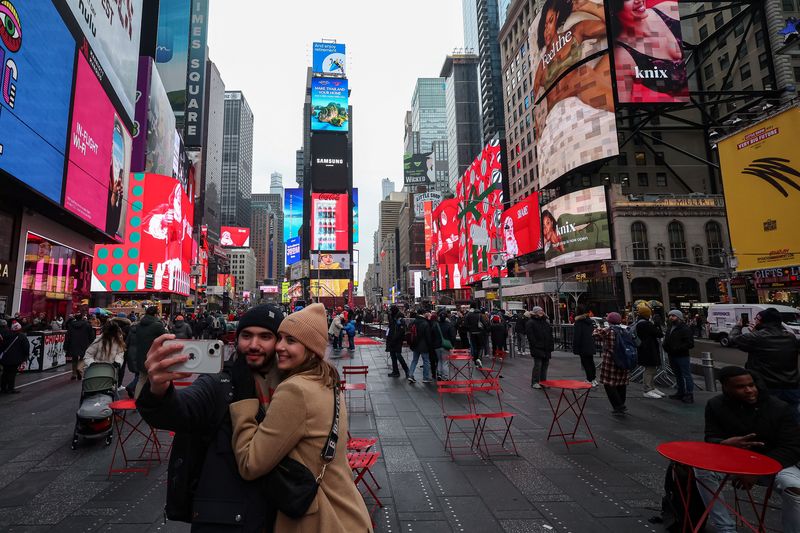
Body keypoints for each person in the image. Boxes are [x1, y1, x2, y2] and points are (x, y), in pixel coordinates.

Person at [137, 304, 285, 532]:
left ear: (279, 342)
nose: (254, 345)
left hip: (281, 516)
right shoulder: (219, 384)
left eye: (265, 336)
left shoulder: (292, 389)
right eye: (246, 336)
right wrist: (158, 388)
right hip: (225, 522)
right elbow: (178, 411)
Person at [228, 304, 373, 532]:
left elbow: (250, 464)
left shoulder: (295, 391)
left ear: (310, 348)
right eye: (281, 338)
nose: (279, 347)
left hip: (320, 520)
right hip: (349, 513)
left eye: (291, 341)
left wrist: (245, 401)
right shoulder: (328, 383)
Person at [695, 366, 800, 533]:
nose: (750, 390)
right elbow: (710, 437)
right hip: (735, 462)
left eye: (751, 385)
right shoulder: (715, 405)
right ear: (726, 387)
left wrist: (758, 470)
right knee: (702, 470)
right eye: (741, 387)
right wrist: (724, 443)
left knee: (794, 487)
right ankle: (725, 528)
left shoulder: (779, 407)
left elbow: (792, 448)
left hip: (774, 463)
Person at [730, 307, 800, 421]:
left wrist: (738, 326)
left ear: (762, 321)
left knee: (767, 418)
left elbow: (733, 339)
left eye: (757, 319)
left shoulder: (756, 337)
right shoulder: (790, 337)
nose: (755, 321)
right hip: (791, 385)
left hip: (767, 386)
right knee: (791, 417)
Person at [610, 0, 687, 103]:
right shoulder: (622, 57)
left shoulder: (669, 9)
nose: (638, 0)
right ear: (613, 9)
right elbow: (623, 110)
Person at [593, 312, 630, 415]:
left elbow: (595, 334)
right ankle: (622, 403)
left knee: (609, 384)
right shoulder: (625, 330)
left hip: (611, 360)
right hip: (624, 360)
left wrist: (599, 327)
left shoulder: (609, 330)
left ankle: (618, 405)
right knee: (621, 384)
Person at [662, 309, 695, 403]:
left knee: (686, 375)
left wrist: (677, 348)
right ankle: (680, 392)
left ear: (679, 317)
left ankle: (689, 394)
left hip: (682, 356)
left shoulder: (685, 329)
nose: (671, 318)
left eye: (673, 316)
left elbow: (690, 344)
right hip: (672, 355)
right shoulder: (670, 327)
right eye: (670, 316)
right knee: (678, 375)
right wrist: (665, 347)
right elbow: (667, 339)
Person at [133, 306, 167, 398]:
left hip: (141, 355)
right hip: (154, 356)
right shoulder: (157, 325)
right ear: (155, 314)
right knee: (156, 379)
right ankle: (156, 401)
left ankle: (137, 401)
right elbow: (166, 337)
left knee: (141, 379)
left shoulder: (139, 324)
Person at [633, 304, 665, 398]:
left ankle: (651, 387)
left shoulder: (640, 323)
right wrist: (657, 325)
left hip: (645, 349)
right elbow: (659, 334)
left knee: (651, 369)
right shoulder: (645, 324)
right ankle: (647, 389)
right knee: (649, 369)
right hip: (648, 350)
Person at [526, 307, 554, 389]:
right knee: (538, 365)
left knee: (545, 365)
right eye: (539, 311)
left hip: (546, 347)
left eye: (542, 310)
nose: (541, 312)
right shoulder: (531, 322)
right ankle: (535, 382)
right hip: (537, 347)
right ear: (535, 312)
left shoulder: (546, 321)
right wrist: (535, 344)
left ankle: (543, 382)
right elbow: (530, 335)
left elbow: (550, 334)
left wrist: (550, 344)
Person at [64, 313, 96, 381]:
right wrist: (92, 343)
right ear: (82, 317)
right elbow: (91, 335)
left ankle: (74, 373)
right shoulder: (87, 324)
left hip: (73, 343)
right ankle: (79, 369)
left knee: (74, 358)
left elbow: (68, 336)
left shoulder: (71, 325)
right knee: (83, 357)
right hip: (84, 343)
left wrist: (66, 346)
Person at [0, 322, 30, 393]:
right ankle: (10, 388)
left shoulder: (5, 335)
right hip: (15, 358)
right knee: (12, 374)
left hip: (5, 357)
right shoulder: (22, 337)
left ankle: (3, 388)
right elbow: (26, 348)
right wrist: (25, 357)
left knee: (5, 372)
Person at [572, 305, 598, 386]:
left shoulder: (578, 322)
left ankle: (589, 379)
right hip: (590, 343)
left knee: (586, 363)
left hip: (582, 345)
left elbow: (577, 335)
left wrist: (575, 347)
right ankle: (593, 379)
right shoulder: (589, 321)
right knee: (591, 362)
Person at [408, 309, 434, 384]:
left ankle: (410, 375)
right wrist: (430, 345)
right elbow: (428, 336)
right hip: (424, 345)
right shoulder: (425, 323)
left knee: (414, 360)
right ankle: (425, 377)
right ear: (424, 313)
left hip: (415, 344)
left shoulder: (414, 322)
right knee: (426, 361)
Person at [386, 305, 409, 378]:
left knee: (398, 355)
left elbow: (401, 330)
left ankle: (407, 370)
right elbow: (390, 327)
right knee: (393, 356)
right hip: (391, 339)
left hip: (397, 340)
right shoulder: (392, 317)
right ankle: (395, 371)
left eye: (391, 310)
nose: (390, 312)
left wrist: (395, 338)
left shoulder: (400, 318)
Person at [464, 303, 489, 367]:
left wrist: (470, 329)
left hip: (472, 333)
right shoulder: (479, 314)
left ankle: (475, 361)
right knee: (480, 346)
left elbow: (465, 325)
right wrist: (486, 330)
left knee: (474, 347)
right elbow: (484, 323)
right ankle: (479, 358)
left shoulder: (468, 315)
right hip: (480, 333)